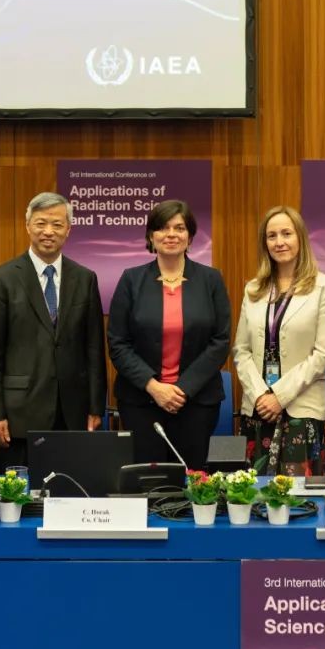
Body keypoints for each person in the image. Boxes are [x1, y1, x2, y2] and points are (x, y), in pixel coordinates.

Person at [0, 192, 106, 470]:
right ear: (27, 226)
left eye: (57, 224)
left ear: (68, 230)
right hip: (19, 413)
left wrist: (96, 407)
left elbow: (94, 349)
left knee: (72, 485)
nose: (48, 231)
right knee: (18, 491)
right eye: (41, 223)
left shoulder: (85, 278)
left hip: (72, 412)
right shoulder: (1, 279)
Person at [108, 200, 231, 470]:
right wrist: (154, 387)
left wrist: (182, 389)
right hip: (141, 402)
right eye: (163, 228)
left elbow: (220, 341)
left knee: (192, 479)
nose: (171, 234)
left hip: (196, 402)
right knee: (148, 480)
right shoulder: (131, 279)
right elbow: (118, 342)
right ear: (151, 236)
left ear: (190, 237)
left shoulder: (211, 279)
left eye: (179, 228)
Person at [233, 206, 325, 475]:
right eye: (272, 236)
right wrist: (261, 395)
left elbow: (322, 353)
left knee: (302, 495)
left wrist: (279, 396)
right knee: (254, 493)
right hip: (258, 411)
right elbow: (241, 350)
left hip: (302, 411)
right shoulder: (253, 289)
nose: (279, 242)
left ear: (300, 237)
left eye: (286, 234)